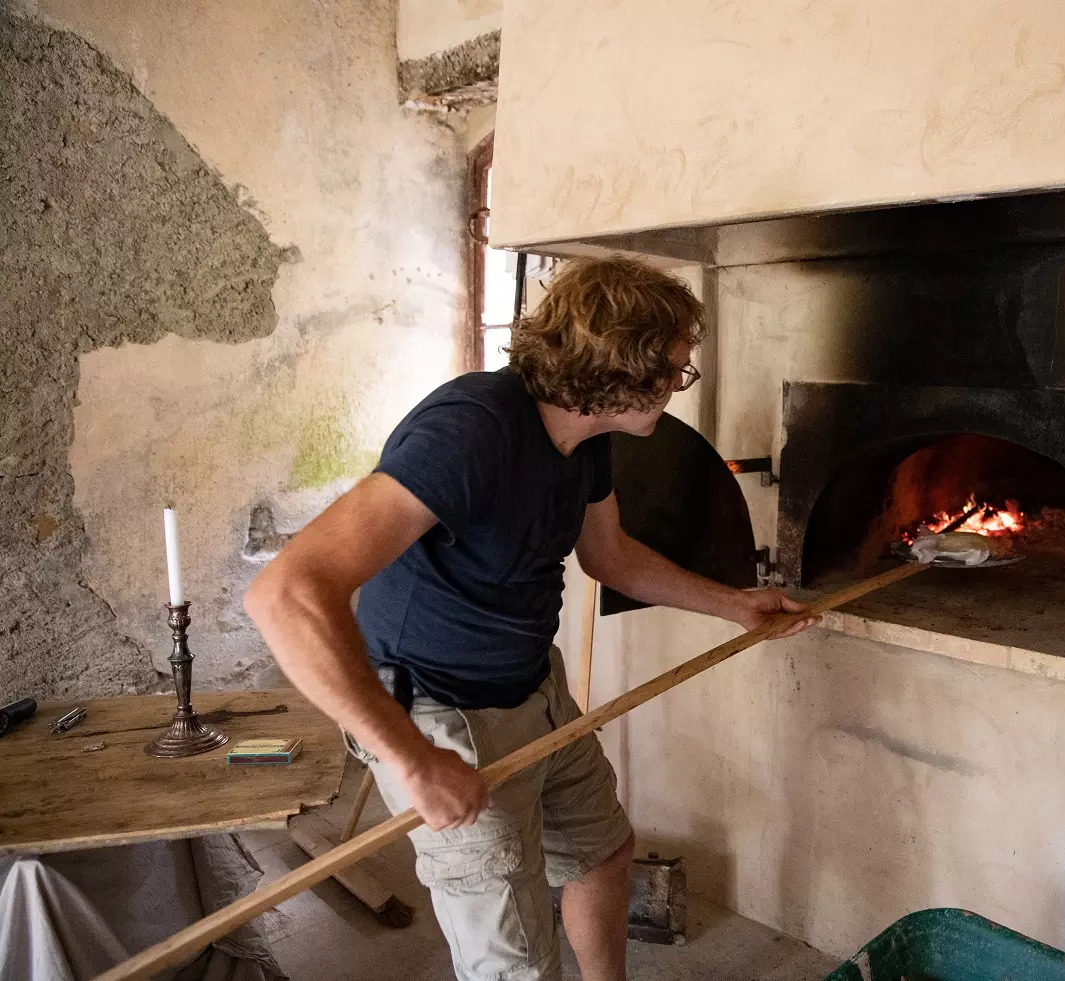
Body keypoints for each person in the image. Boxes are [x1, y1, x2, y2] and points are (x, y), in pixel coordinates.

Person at [244, 256, 815, 981]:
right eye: (675, 368)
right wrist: (414, 761)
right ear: (621, 369)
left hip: (531, 687)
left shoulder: (587, 439)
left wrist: (733, 604)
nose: (680, 383)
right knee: (515, 962)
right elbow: (284, 593)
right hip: (436, 710)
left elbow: (609, 556)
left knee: (602, 854)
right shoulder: (470, 432)